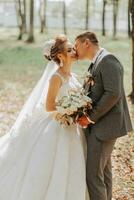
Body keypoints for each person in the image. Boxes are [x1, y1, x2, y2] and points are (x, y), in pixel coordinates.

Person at [0, 35, 89, 200]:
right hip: (58, 127)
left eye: (73, 48)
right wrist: (70, 109)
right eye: (69, 50)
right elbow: (49, 106)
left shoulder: (73, 77)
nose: (74, 52)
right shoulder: (56, 77)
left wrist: (78, 110)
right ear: (60, 56)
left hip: (72, 127)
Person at [75, 31, 133, 200]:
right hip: (101, 125)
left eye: (77, 45)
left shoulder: (108, 60)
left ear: (87, 43)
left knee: (93, 175)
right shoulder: (96, 62)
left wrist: (90, 116)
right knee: (103, 173)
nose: (75, 49)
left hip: (105, 126)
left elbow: (112, 93)